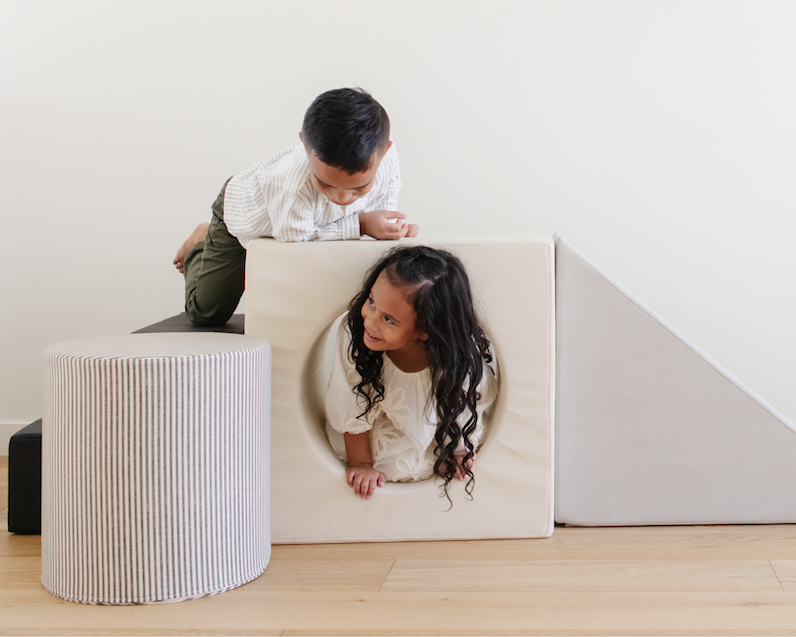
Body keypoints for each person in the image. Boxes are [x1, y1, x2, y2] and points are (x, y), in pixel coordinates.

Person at [173, 88, 418, 326]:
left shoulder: (387, 159)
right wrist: (361, 224)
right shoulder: (289, 184)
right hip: (242, 215)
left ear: (385, 150)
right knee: (205, 314)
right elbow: (295, 239)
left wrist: (391, 229)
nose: (342, 199)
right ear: (304, 144)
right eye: (324, 184)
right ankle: (202, 238)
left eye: (359, 188)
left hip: (297, 219)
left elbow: (385, 207)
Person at [325, 246, 498, 502]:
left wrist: (461, 449)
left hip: (437, 429)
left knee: (439, 457)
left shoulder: (455, 353)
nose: (370, 321)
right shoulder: (356, 338)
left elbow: (467, 400)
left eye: (388, 320)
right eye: (371, 302)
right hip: (375, 434)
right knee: (395, 460)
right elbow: (353, 405)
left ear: (426, 331)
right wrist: (361, 464)